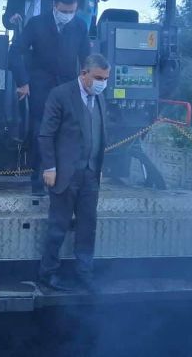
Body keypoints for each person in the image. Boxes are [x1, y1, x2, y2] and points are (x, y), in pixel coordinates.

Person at [37, 54, 110, 293]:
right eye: (98, 78)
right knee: (58, 226)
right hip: (65, 174)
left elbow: (99, 135)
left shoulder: (100, 98)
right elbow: (46, 134)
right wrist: (50, 168)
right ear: (84, 73)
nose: (102, 83)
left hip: (90, 175)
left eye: (105, 79)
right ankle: (48, 273)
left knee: (88, 227)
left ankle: (84, 274)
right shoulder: (60, 94)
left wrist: (98, 167)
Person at [10, 0, 90, 194]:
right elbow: (15, 51)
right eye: (64, 11)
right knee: (41, 131)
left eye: (72, 11)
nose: (68, 15)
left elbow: (86, 57)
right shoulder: (37, 23)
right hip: (40, 86)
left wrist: (87, 81)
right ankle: (37, 181)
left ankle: (64, 180)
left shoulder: (80, 26)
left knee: (67, 131)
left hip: (68, 86)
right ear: (54, 5)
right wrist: (22, 82)